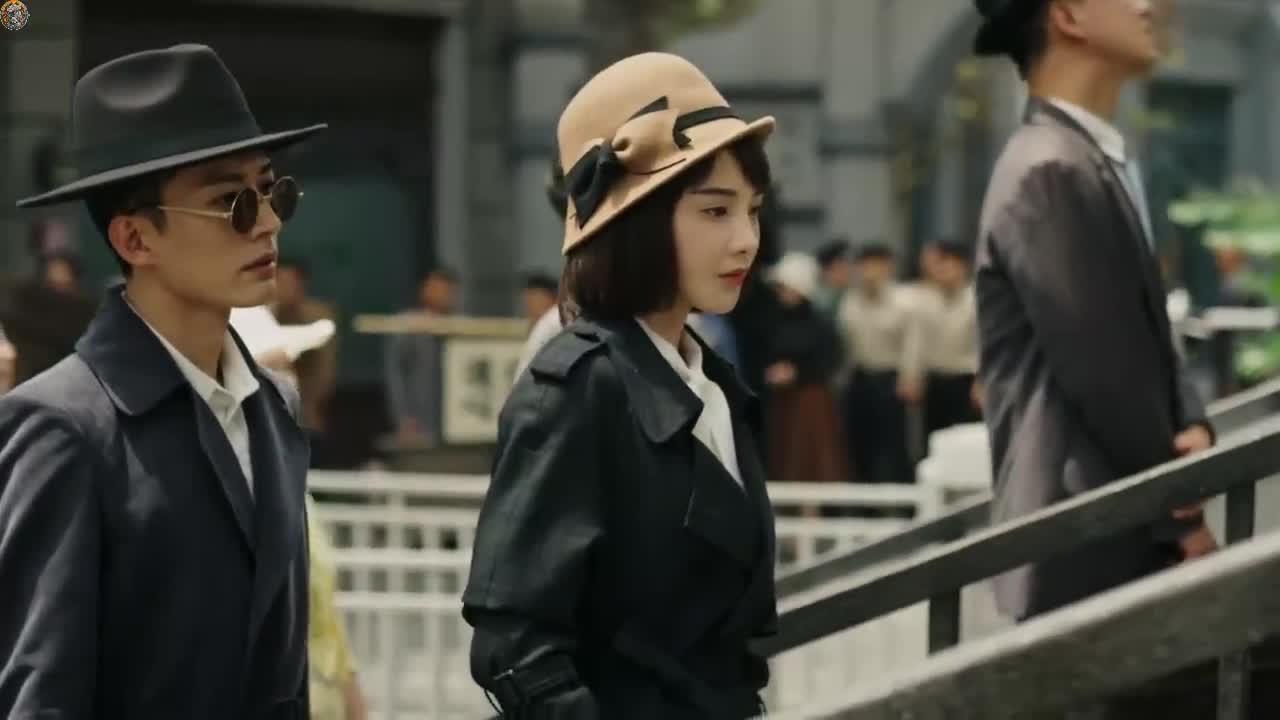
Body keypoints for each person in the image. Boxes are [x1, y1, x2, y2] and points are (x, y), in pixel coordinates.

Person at [0, 44, 324, 719]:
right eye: (231, 202)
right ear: (135, 240)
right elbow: (42, 697)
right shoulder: (62, 427)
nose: (267, 222)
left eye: (273, 191)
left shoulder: (272, 405)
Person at [463, 52, 778, 719]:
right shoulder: (575, 387)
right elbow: (513, 646)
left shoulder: (713, 385)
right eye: (715, 211)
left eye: (752, 211)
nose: (746, 240)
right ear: (638, 218)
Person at [763, 252, 846, 487]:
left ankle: (813, 505)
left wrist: (797, 373)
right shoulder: (775, 319)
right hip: (782, 400)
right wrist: (772, 372)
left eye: (785, 287)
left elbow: (831, 360)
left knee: (811, 455)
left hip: (811, 399)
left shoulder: (819, 322)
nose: (781, 293)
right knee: (784, 454)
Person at [837, 243, 916, 484]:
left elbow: (912, 343)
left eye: (876, 266)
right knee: (859, 442)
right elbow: (846, 343)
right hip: (859, 378)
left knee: (893, 443)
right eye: (864, 266)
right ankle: (863, 497)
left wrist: (910, 376)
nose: (869, 272)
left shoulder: (904, 301)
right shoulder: (851, 300)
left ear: (888, 267)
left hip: (891, 379)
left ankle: (900, 496)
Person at [905, 239, 982, 442]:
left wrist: (982, 381)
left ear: (963, 267)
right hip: (935, 380)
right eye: (940, 265)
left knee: (964, 440)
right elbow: (916, 342)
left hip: (965, 381)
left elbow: (983, 344)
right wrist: (911, 375)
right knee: (932, 439)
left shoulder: (976, 301)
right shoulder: (925, 301)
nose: (943, 271)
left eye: (949, 264)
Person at [384, 267, 457, 447]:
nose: (443, 294)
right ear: (424, 290)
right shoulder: (407, 324)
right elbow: (395, 374)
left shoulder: (459, 326)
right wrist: (403, 416)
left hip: (453, 419)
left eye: (447, 290)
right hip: (417, 417)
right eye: (437, 288)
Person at [273, 257, 340, 433]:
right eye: (280, 282)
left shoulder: (318, 316)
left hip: (308, 399)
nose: (285, 288)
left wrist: (311, 405)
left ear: (302, 284)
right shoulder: (259, 314)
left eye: (291, 283)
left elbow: (325, 368)